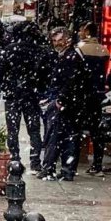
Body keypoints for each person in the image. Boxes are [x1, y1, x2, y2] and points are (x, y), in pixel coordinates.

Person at [39, 27, 90, 181]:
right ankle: (66, 170)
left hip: (66, 103)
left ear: (68, 39)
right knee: (67, 136)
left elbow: (71, 82)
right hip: (69, 102)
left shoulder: (71, 57)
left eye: (60, 40)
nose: (57, 43)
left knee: (56, 136)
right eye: (54, 40)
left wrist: (61, 100)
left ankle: (50, 168)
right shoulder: (68, 56)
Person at [1, 21, 51, 173]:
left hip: (13, 94)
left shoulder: (10, 49)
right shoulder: (40, 51)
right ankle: (35, 162)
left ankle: (15, 159)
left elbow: (2, 70)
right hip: (32, 95)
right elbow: (45, 74)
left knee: (13, 130)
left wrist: (8, 84)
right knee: (34, 130)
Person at [77, 22, 110, 176]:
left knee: (76, 127)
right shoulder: (104, 50)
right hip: (98, 93)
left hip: (82, 93)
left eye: (81, 30)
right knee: (96, 129)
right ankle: (97, 163)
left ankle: (74, 161)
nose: (79, 32)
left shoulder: (80, 49)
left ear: (87, 31)